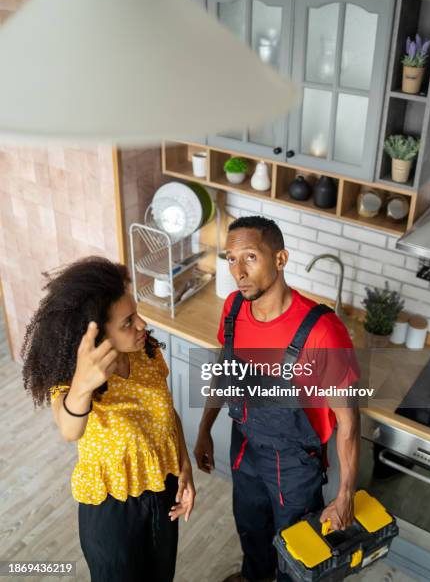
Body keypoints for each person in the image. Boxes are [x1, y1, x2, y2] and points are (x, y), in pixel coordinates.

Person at [193, 216, 360, 582]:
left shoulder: (321, 330)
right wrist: (205, 428)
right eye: (231, 259)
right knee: (251, 531)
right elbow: (225, 370)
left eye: (250, 257)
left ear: (280, 259)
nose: (239, 271)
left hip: (295, 464)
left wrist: (345, 492)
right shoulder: (234, 309)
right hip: (245, 445)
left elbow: (348, 422)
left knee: (297, 549)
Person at [21, 256, 195, 582]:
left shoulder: (146, 353)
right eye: (128, 322)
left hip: (162, 491)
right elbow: (70, 429)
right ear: (97, 334)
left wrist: (184, 467)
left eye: (136, 314)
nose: (142, 325)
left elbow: (166, 415)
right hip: (112, 509)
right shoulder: (72, 381)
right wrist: (83, 385)